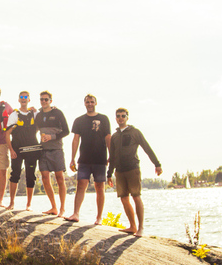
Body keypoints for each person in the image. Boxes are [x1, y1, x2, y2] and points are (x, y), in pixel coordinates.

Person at [107, 107, 163, 236]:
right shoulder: (114, 136)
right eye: (118, 116)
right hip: (119, 171)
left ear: (127, 117)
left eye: (123, 116)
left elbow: (146, 147)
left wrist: (157, 164)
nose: (120, 118)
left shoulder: (135, 132)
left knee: (136, 196)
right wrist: (109, 174)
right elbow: (113, 156)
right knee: (124, 198)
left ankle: (141, 228)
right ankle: (132, 226)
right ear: (115, 118)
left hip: (133, 169)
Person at [65, 94, 111, 224]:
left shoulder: (104, 119)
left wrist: (111, 155)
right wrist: (72, 158)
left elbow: (108, 138)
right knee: (81, 185)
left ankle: (99, 217)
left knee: (100, 187)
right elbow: (75, 139)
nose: (90, 104)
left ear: (95, 103)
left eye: (92, 102)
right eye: (87, 102)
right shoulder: (79, 120)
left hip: (100, 159)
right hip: (84, 159)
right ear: (84, 104)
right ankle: (76, 213)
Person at [4, 90, 40, 211]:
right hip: (17, 150)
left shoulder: (35, 114)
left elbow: (45, 117)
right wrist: (11, 149)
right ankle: (12, 203)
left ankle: (28, 204)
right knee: (15, 174)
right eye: (21, 97)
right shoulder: (14, 115)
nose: (23, 99)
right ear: (19, 100)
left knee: (31, 176)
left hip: (32, 149)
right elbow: (7, 133)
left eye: (26, 97)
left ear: (29, 99)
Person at [36, 90, 69, 217]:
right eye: (41, 99)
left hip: (56, 149)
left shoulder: (58, 113)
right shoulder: (38, 115)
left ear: (50, 100)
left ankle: (62, 209)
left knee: (59, 178)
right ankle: (53, 207)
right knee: (45, 178)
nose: (43, 101)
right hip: (43, 150)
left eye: (46, 99)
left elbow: (66, 131)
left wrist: (52, 136)